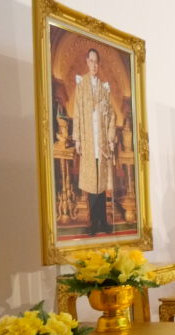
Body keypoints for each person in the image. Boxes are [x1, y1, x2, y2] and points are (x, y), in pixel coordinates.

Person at [72, 48, 116, 235]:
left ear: (99, 64)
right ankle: (93, 222)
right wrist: (77, 139)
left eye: (96, 62)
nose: (94, 65)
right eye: (91, 61)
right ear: (87, 61)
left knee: (101, 182)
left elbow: (112, 114)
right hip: (89, 141)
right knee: (92, 182)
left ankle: (103, 221)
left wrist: (111, 138)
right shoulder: (81, 85)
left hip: (102, 143)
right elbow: (77, 112)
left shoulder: (104, 88)